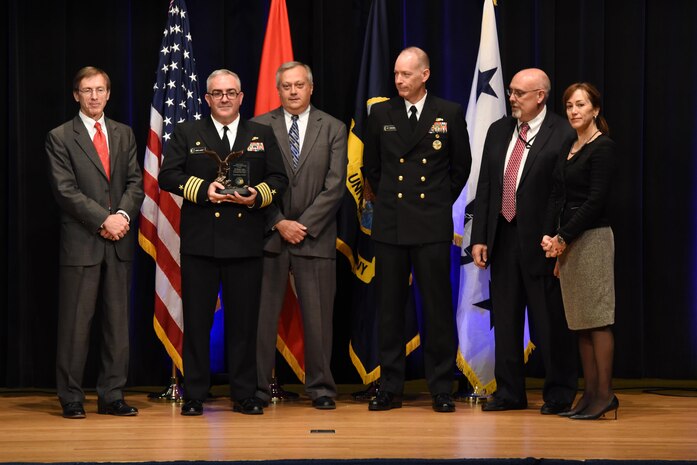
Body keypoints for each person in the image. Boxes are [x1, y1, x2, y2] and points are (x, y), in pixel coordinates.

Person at [159, 69, 288, 416]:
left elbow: (278, 177)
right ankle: (195, 393)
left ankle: (245, 394)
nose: (225, 98)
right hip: (201, 242)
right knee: (198, 322)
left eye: (231, 92)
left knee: (244, 322)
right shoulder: (189, 132)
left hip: (245, 242)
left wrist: (256, 197)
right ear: (207, 99)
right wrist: (204, 190)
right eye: (217, 93)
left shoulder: (260, 134)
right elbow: (167, 174)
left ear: (242, 97)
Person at [363, 47, 472, 413]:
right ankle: (389, 387)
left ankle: (442, 386)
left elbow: (461, 167)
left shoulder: (449, 112)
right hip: (390, 225)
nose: (398, 80)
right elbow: (372, 168)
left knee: (437, 309)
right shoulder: (381, 113)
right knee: (390, 310)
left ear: (425, 75)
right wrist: (393, 202)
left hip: (430, 225)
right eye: (395, 74)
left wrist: (437, 202)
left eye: (406, 74)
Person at [471, 68, 578, 414]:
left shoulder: (562, 132)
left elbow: (563, 194)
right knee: (505, 320)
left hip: (542, 242)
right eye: (511, 91)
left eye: (519, 93)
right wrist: (480, 237)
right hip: (502, 238)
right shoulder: (499, 129)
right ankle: (509, 392)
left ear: (540, 96)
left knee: (549, 323)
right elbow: (486, 186)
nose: (512, 98)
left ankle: (560, 393)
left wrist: (557, 237)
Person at [46, 66, 144, 419]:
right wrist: (104, 219)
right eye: (87, 90)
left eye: (100, 90)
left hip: (119, 241)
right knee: (75, 325)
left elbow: (135, 184)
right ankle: (71, 398)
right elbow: (65, 190)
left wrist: (122, 218)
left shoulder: (124, 134)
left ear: (108, 93)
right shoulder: (60, 137)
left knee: (117, 325)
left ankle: (111, 395)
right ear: (76, 95)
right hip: (82, 243)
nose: (94, 97)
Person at [252, 62, 347, 410]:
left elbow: (335, 186)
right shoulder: (259, 125)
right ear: (278, 90)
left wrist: (301, 225)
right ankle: (259, 390)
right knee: (262, 319)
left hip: (314, 237)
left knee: (319, 320)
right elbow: (252, 183)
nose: (292, 92)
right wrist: (278, 221)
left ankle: (321, 389)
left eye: (299, 85)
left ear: (311, 88)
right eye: (286, 86)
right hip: (269, 236)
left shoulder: (333, 128)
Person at [541, 82, 618, 420]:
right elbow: (558, 197)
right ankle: (588, 395)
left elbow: (595, 201)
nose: (573, 111)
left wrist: (563, 237)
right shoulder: (569, 147)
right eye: (569, 105)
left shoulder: (603, 148)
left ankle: (605, 395)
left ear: (595, 110)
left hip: (593, 239)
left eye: (581, 105)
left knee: (597, 320)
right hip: (569, 241)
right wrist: (552, 237)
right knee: (581, 323)